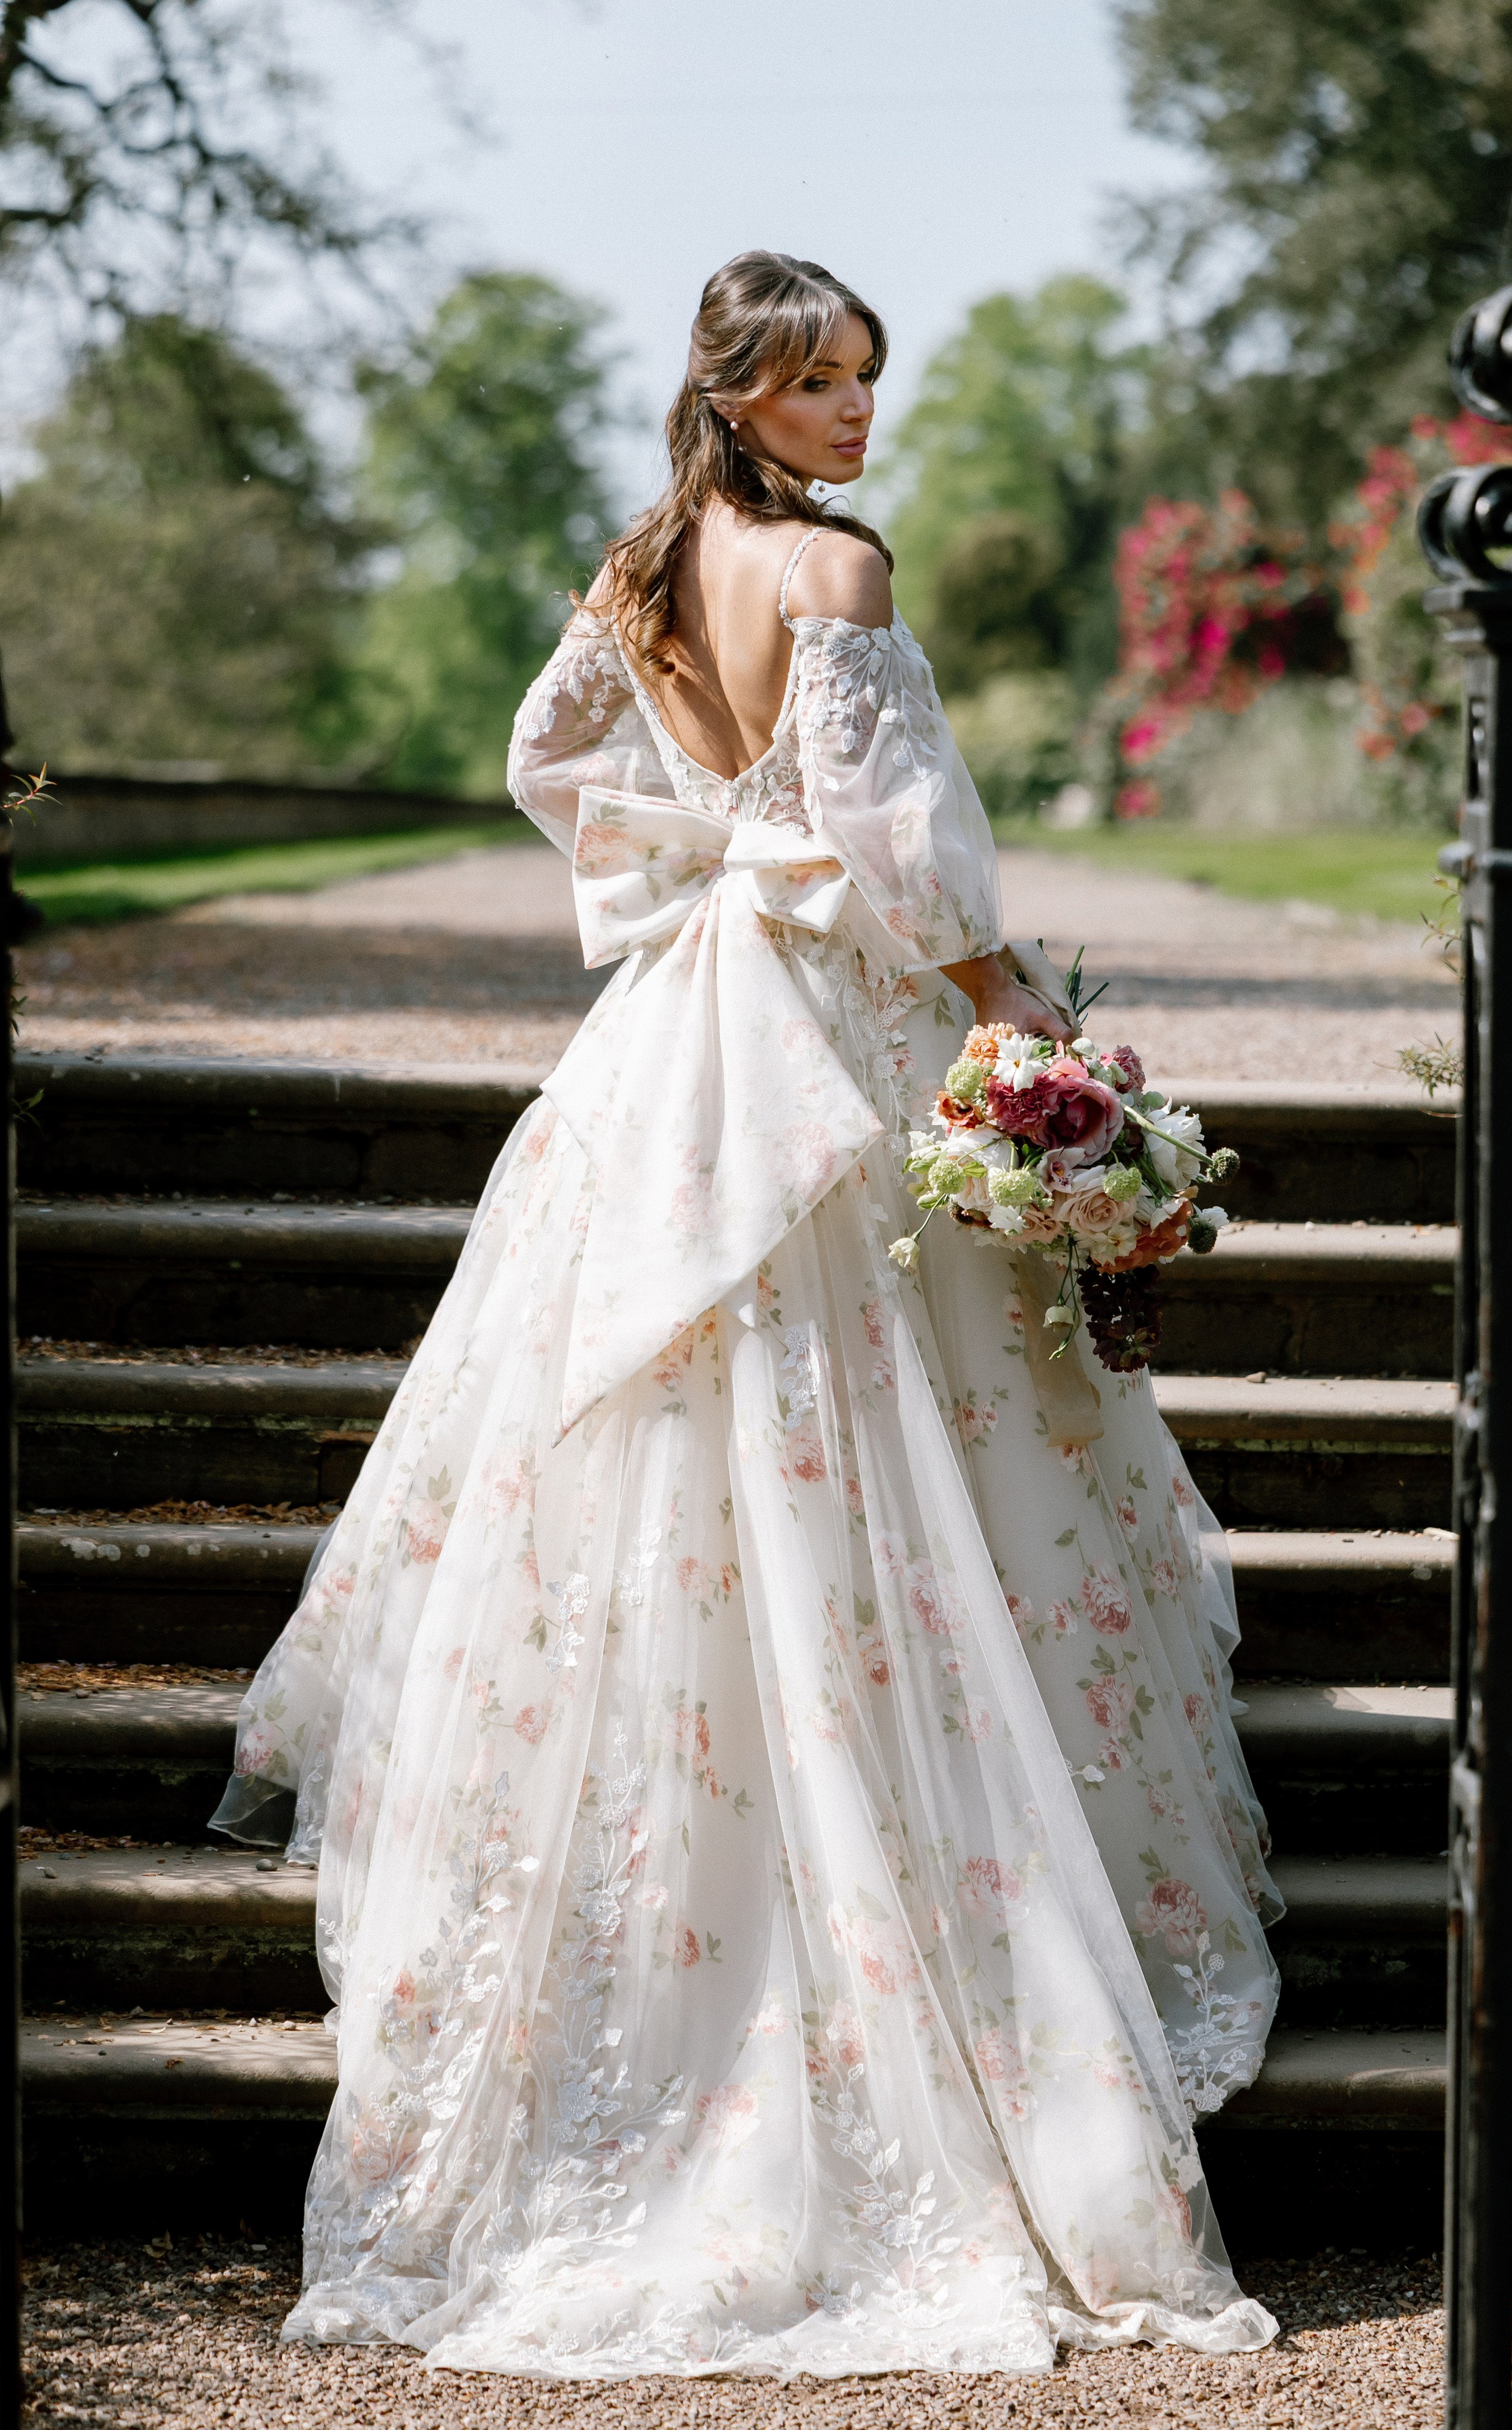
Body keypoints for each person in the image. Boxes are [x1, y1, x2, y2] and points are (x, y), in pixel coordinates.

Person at [212, 249, 1284, 2381]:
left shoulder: (644, 570)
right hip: (820, 1036)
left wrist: (699, 850)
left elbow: (548, 758)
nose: (858, 416)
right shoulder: (839, 571)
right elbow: (902, 854)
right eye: (820, 385)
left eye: (869, 379)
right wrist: (1028, 1025)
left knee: (709, 1430)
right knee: (878, 1427)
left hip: (676, 1035)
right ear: (745, 392)